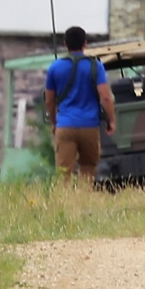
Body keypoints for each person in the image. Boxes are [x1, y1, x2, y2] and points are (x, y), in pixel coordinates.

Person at [45, 26, 117, 183]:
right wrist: (111, 120)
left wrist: (54, 122)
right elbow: (105, 97)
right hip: (89, 126)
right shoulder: (95, 66)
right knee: (88, 167)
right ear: (85, 43)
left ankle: (66, 197)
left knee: (64, 172)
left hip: (65, 125)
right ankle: (85, 195)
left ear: (65, 44)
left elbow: (49, 101)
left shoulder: (54, 68)